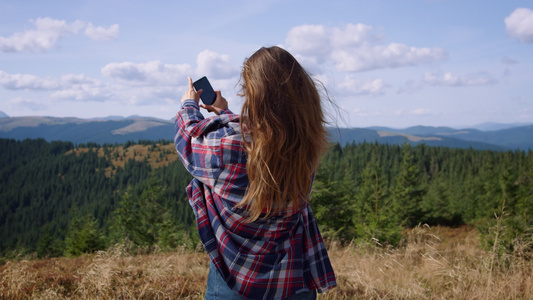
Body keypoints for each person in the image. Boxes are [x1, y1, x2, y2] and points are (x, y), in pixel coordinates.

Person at [175, 46, 336, 300]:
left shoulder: (228, 145)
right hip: (294, 283)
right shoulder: (305, 146)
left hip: (234, 284)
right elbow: (263, 139)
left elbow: (188, 141)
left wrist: (188, 104)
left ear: (255, 95)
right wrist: (224, 112)